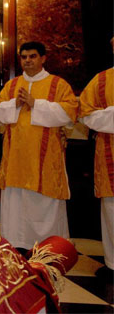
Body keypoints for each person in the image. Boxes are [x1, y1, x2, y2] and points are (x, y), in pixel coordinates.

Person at [0, 41, 78, 250]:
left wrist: (35, 103)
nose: (28, 60)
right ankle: (17, 242)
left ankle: (49, 245)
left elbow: (69, 113)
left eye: (32, 56)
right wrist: (15, 104)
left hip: (45, 157)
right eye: (24, 57)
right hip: (16, 157)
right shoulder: (12, 86)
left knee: (44, 202)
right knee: (16, 202)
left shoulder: (58, 84)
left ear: (43, 58)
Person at [78, 37, 114, 278]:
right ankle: (113, 264)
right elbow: (85, 114)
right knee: (112, 209)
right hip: (109, 152)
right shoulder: (101, 80)